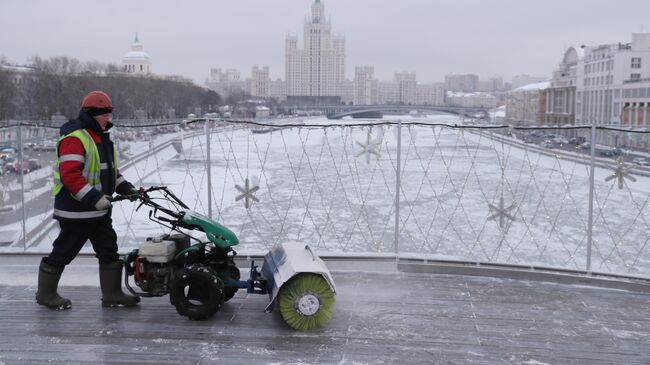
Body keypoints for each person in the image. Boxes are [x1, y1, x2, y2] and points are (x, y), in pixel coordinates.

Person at [36, 91, 141, 310]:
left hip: (99, 211)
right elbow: (70, 176)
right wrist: (95, 199)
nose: (108, 118)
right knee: (64, 251)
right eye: (104, 114)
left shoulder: (102, 139)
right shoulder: (75, 138)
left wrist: (128, 189)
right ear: (91, 114)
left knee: (108, 250)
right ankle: (45, 294)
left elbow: (111, 172)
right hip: (77, 212)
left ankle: (112, 294)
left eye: (109, 114)